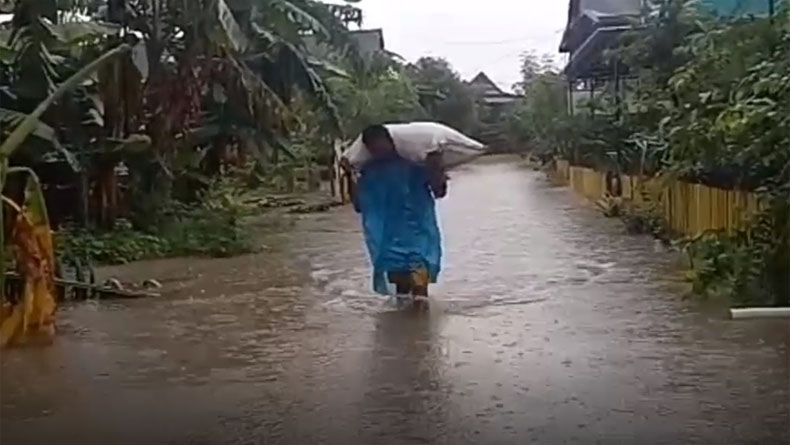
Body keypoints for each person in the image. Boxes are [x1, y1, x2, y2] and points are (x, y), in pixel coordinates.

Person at [344, 124, 447, 310]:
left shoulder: (415, 165)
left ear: (392, 142)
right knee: (402, 296)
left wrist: (436, 166)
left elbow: (439, 191)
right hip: (390, 243)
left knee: (420, 294)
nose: (379, 150)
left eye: (381, 144)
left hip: (419, 236)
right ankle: (410, 335)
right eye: (374, 148)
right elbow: (359, 206)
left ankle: (421, 335)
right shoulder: (370, 173)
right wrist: (349, 176)